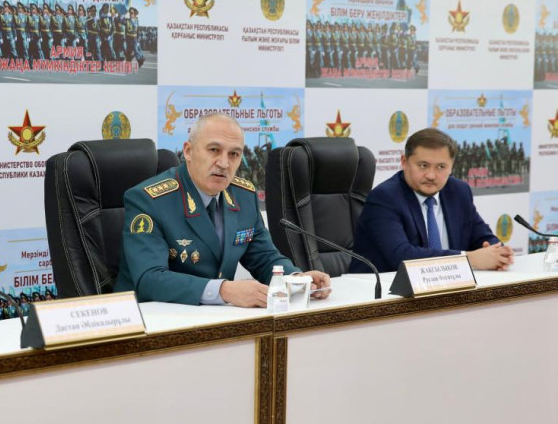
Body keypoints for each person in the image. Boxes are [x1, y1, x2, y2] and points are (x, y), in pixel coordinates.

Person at [114, 113, 331, 307]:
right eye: (214, 150)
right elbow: (149, 279)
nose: (224, 163)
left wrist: (295, 279)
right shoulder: (149, 199)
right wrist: (224, 290)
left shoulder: (244, 196)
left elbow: (264, 257)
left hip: (214, 320)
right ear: (188, 151)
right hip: (149, 319)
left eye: (234, 154)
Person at [350, 127, 514, 273]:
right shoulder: (384, 197)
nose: (431, 175)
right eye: (423, 165)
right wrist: (469, 259)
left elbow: (482, 236)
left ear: (451, 167)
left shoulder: (458, 191)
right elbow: (402, 256)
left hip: (447, 287)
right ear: (404, 162)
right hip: (381, 292)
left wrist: (498, 253)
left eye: (441, 167)